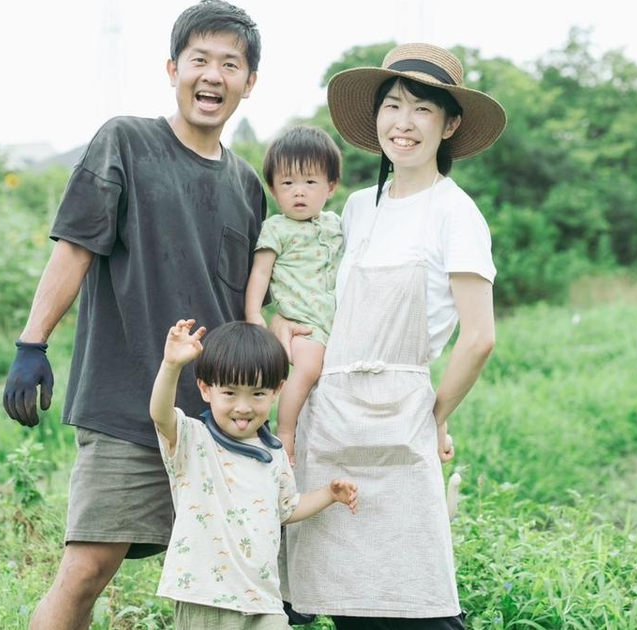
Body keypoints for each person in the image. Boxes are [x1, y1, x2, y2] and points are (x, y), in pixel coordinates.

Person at [0, 2, 266, 628]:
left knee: (224, 577)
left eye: (230, 65)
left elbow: (253, 307)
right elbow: (75, 247)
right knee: (86, 570)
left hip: (216, 420)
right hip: (126, 403)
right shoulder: (126, 142)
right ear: (173, 69)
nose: (213, 76)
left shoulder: (249, 186)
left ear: (249, 82)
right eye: (199, 60)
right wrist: (32, 343)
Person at [280, 43, 505, 628]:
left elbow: (478, 337)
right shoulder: (358, 207)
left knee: (415, 600)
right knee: (340, 597)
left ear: (449, 125)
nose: (403, 123)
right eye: (393, 105)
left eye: (422, 109)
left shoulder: (455, 212)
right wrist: (280, 322)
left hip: (400, 418)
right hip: (331, 416)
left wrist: (433, 416)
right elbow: (322, 300)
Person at [149, 319, 359, 630]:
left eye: (258, 393)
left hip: (263, 600)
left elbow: (286, 508)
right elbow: (160, 414)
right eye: (230, 393)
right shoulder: (192, 440)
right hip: (206, 595)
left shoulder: (274, 453)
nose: (244, 407)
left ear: (277, 391)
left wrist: (328, 495)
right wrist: (171, 365)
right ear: (206, 389)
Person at [244, 126, 344, 464]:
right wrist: (254, 314)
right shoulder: (276, 228)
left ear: (331, 186)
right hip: (302, 323)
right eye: (287, 183)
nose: (298, 192)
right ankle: (286, 433)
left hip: (333, 325)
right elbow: (260, 272)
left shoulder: (335, 225)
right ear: (273, 189)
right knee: (308, 368)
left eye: (310, 182)